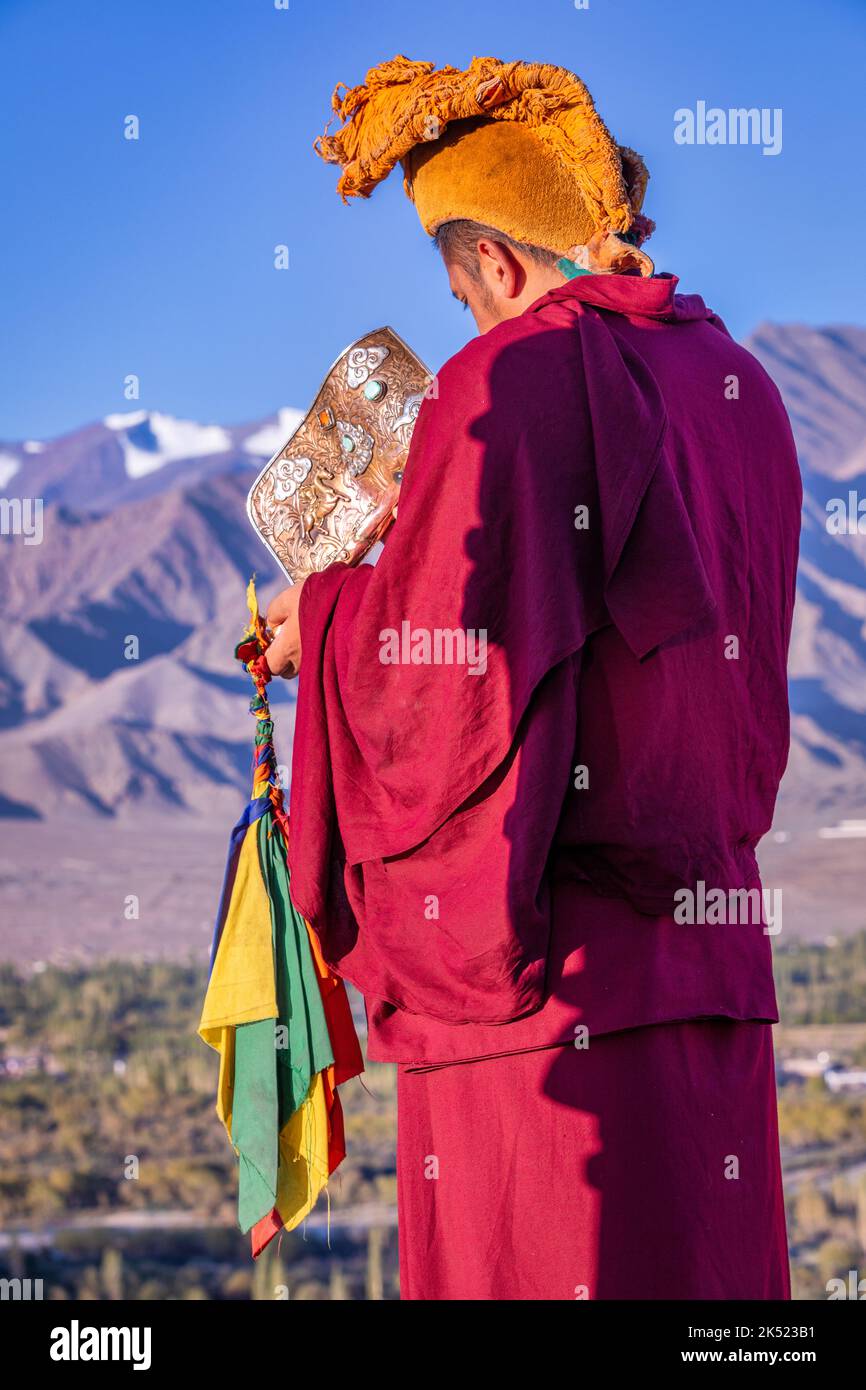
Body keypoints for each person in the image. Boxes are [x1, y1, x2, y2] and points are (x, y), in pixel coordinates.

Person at [263, 56, 801, 1300]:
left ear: (495, 265)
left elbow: (442, 686)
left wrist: (327, 616)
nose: (465, 323)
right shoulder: (744, 388)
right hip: (710, 977)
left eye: (459, 295)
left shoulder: (517, 378)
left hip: (552, 1003)